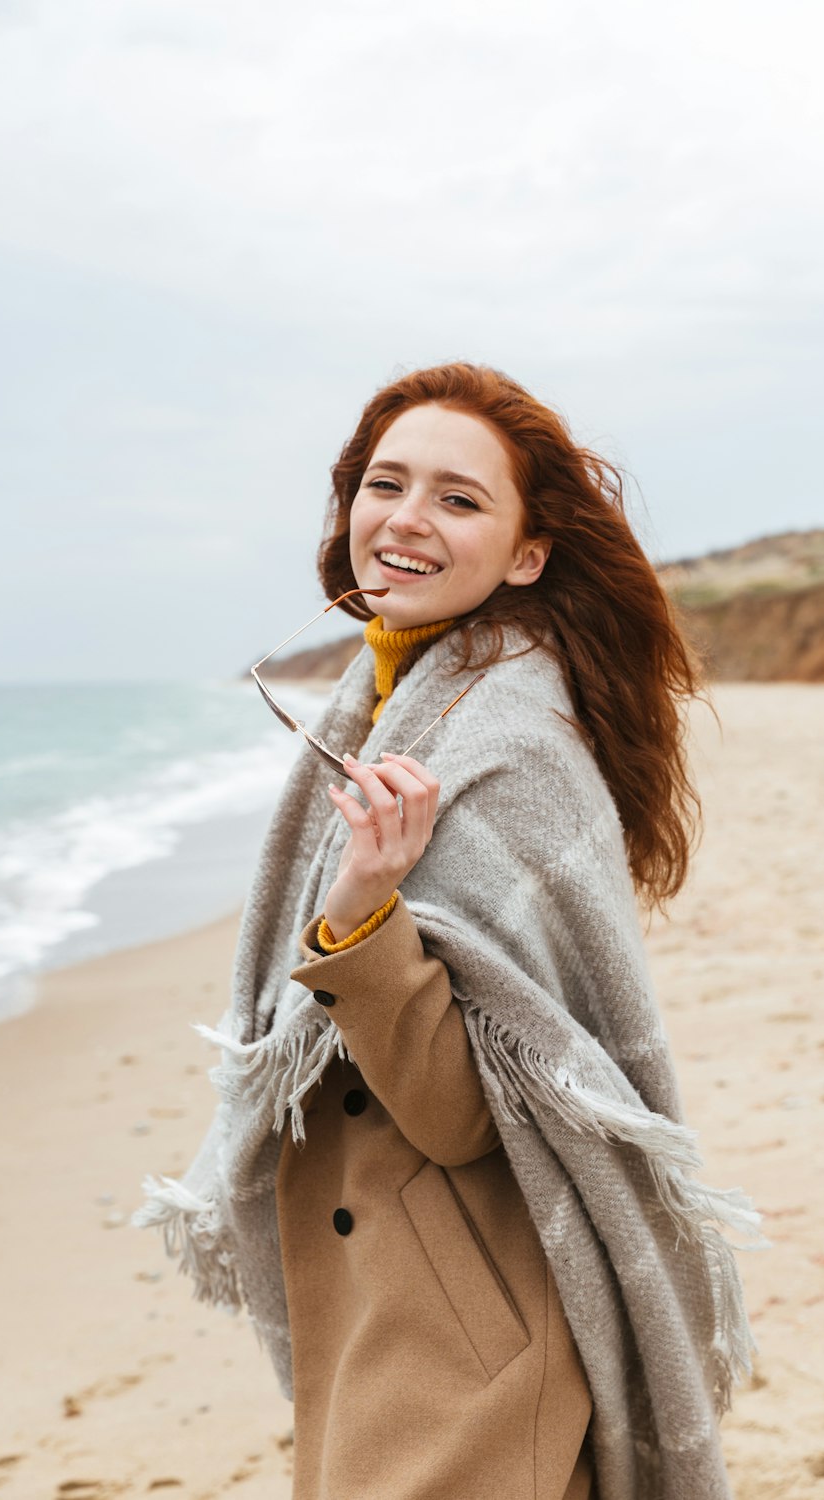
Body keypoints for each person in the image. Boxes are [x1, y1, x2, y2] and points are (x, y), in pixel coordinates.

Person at [133, 362, 761, 1500]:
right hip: (394, 1304)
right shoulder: (390, 699)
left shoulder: (504, 746)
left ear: (527, 554)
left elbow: (465, 1114)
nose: (406, 519)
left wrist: (359, 909)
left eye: (459, 499)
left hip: (467, 1341)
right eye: (385, 483)